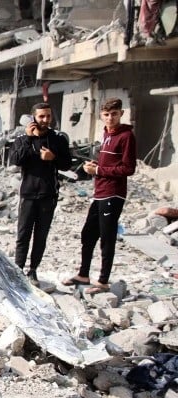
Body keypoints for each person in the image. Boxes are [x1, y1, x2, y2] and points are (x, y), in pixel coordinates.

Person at [63, 97, 136, 294]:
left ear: (121, 113)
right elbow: (109, 165)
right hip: (99, 192)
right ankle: (83, 274)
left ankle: (103, 281)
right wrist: (95, 167)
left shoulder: (126, 136)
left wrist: (100, 171)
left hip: (113, 194)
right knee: (88, 234)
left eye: (114, 114)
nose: (110, 118)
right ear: (101, 116)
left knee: (107, 237)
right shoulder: (106, 134)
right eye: (106, 114)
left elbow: (129, 168)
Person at [9, 102, 71, 285]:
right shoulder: (22, 139)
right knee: (23, 234)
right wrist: (28, 139)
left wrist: (53, 158)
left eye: (48, 116)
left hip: (48, 194)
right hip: (28, 194)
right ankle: (18, 269)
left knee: (41, 235)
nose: (45, 120)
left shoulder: (58, 139)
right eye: (41, 116)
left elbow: (67, 164)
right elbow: (15, 160)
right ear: (33, 117)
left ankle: (33, 270)